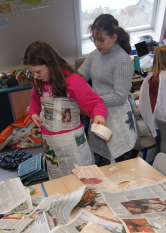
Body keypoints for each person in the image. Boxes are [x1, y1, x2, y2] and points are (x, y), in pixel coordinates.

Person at [25, 41, 107, 179]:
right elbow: (35, 101)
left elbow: (94, 103)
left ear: (50, 62)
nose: (36, 77)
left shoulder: (73, 80)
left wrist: (98, 114)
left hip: (72, 142)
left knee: (81, 179)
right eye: (32, 73)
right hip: (50, 143)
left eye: (38, 72)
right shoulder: (38, 82)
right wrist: (33, 113)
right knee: (58, 179)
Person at [78, 14, 137, 166]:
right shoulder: (95, 55)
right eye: (94, 39)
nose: (97, 44)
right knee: (101, 163)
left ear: (114, 37)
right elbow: (79, 77)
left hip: (117, 118)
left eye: (101, 39)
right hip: (99, 116)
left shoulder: (122, 60)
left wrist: (92, 101)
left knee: (124, 167)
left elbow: (119, 97)